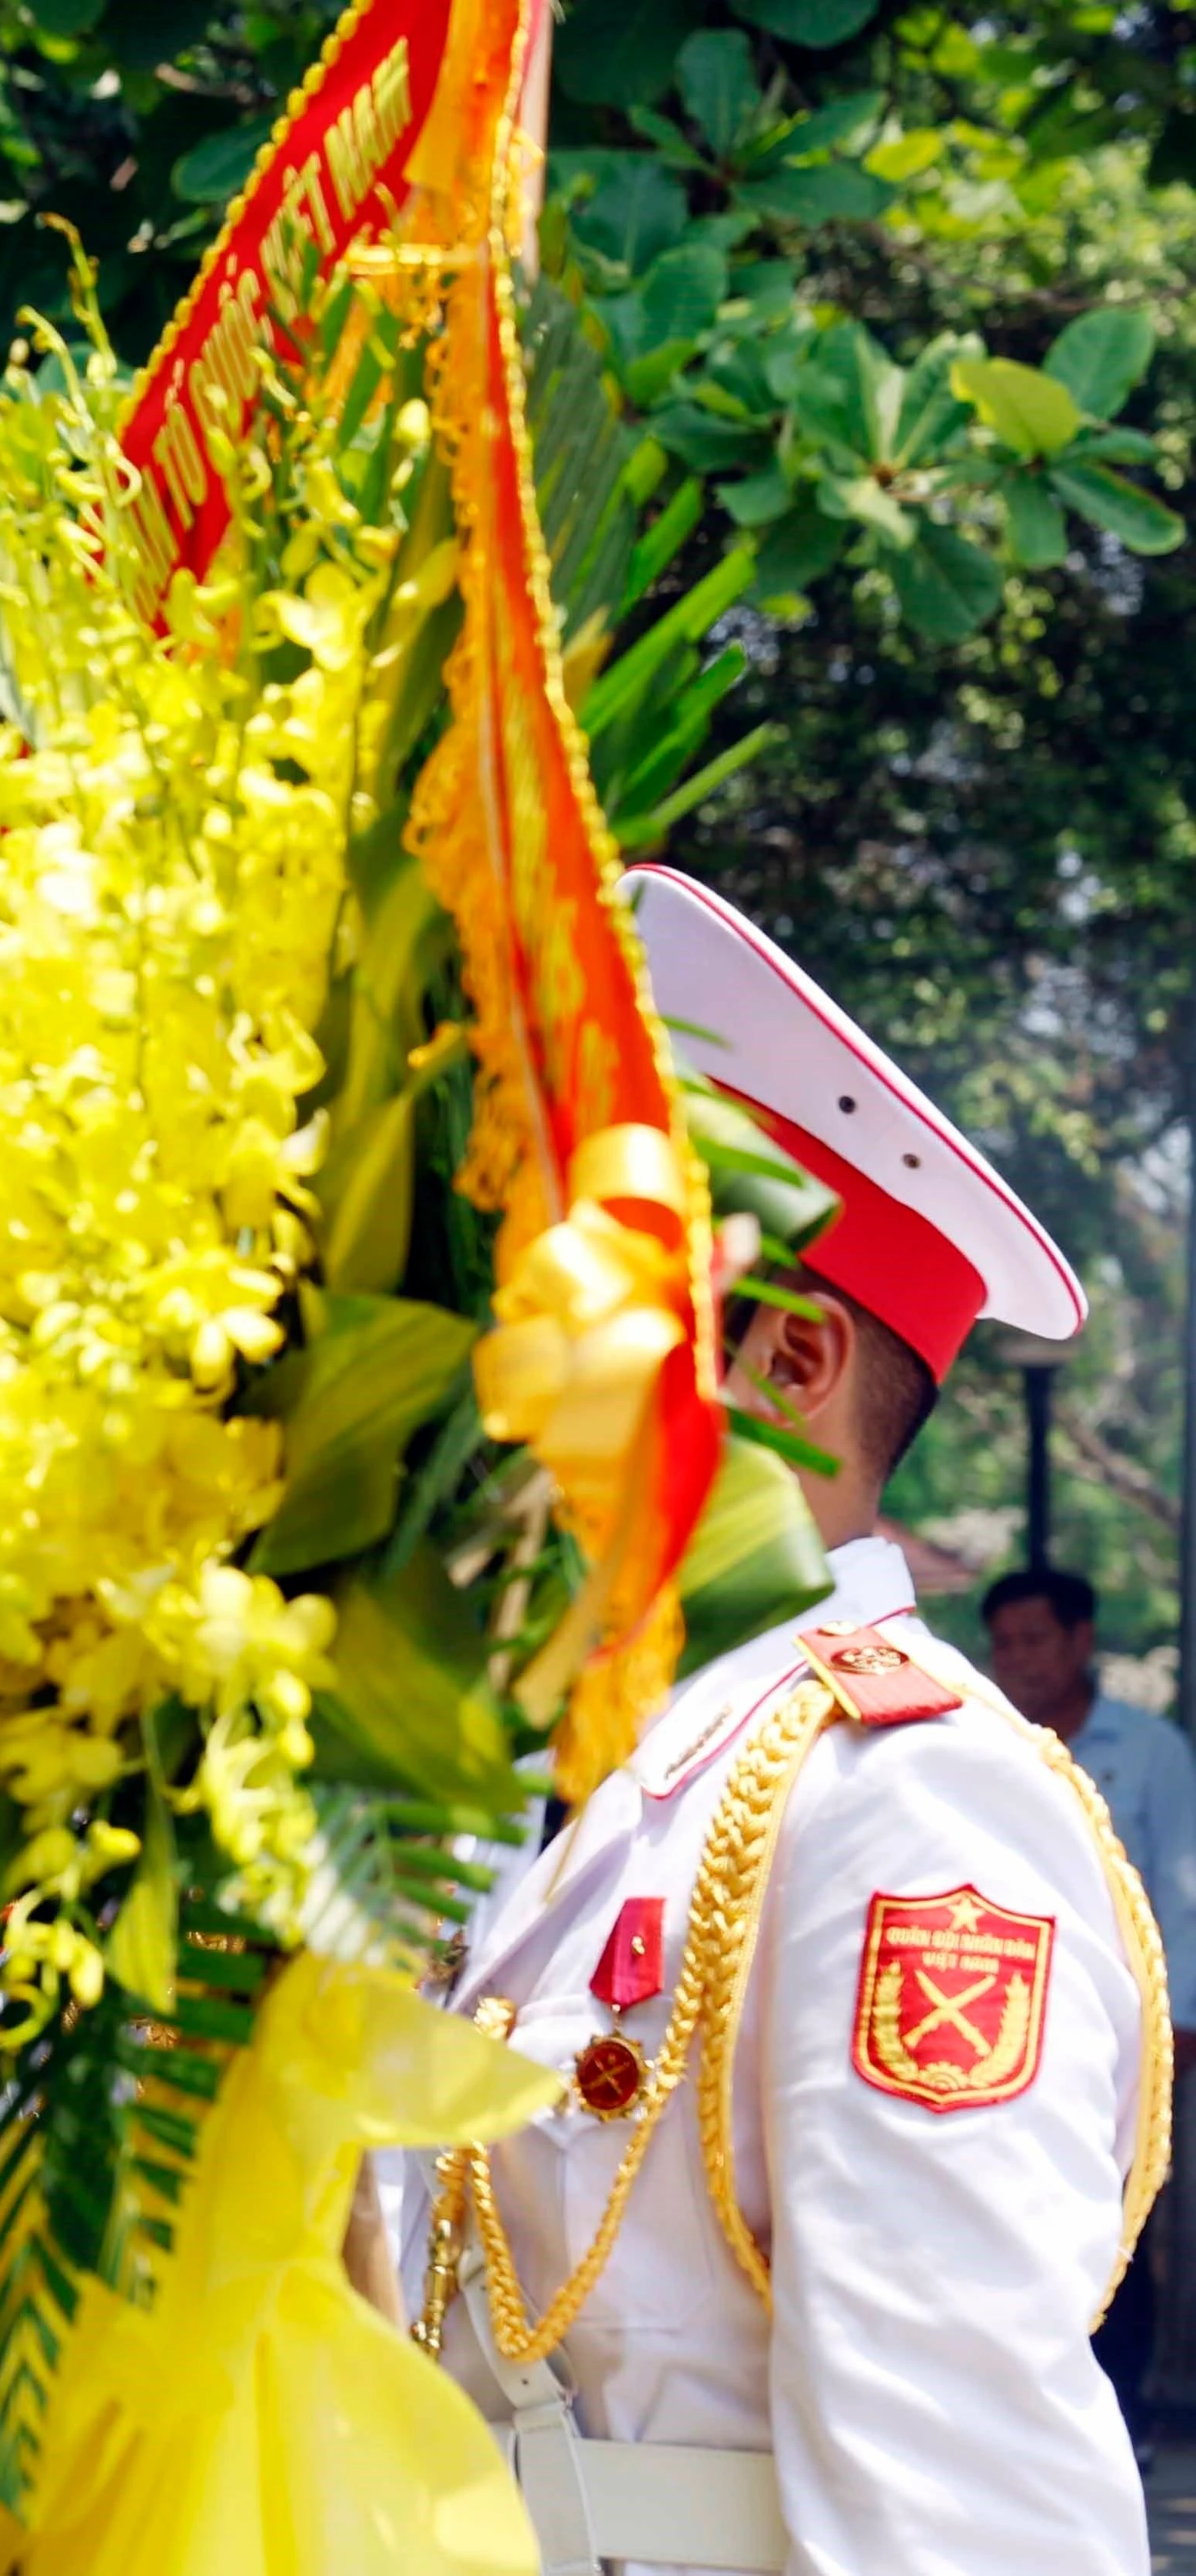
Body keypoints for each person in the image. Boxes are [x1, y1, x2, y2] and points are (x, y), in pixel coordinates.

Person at [372, 866, 1163, 2572]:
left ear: (790, 1363)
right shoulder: (614, 1778)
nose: (495, 1375)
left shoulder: (911, 1807)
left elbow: (963, 2514)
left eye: (570, 1306)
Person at [980, 1559, 1196, 2457]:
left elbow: (1183, 1892)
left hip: (1137, 2027)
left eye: (1036, 1638)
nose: (1018, 1659)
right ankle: (1036, 2416)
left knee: (1134, 2220)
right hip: (1015, 2022)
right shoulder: (980, 1738)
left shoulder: (1149, 1749)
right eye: (1003, 1643)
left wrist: (1178, 2021)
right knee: (1030, 2212)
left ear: (1081, 1639)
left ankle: (1138, 2410)